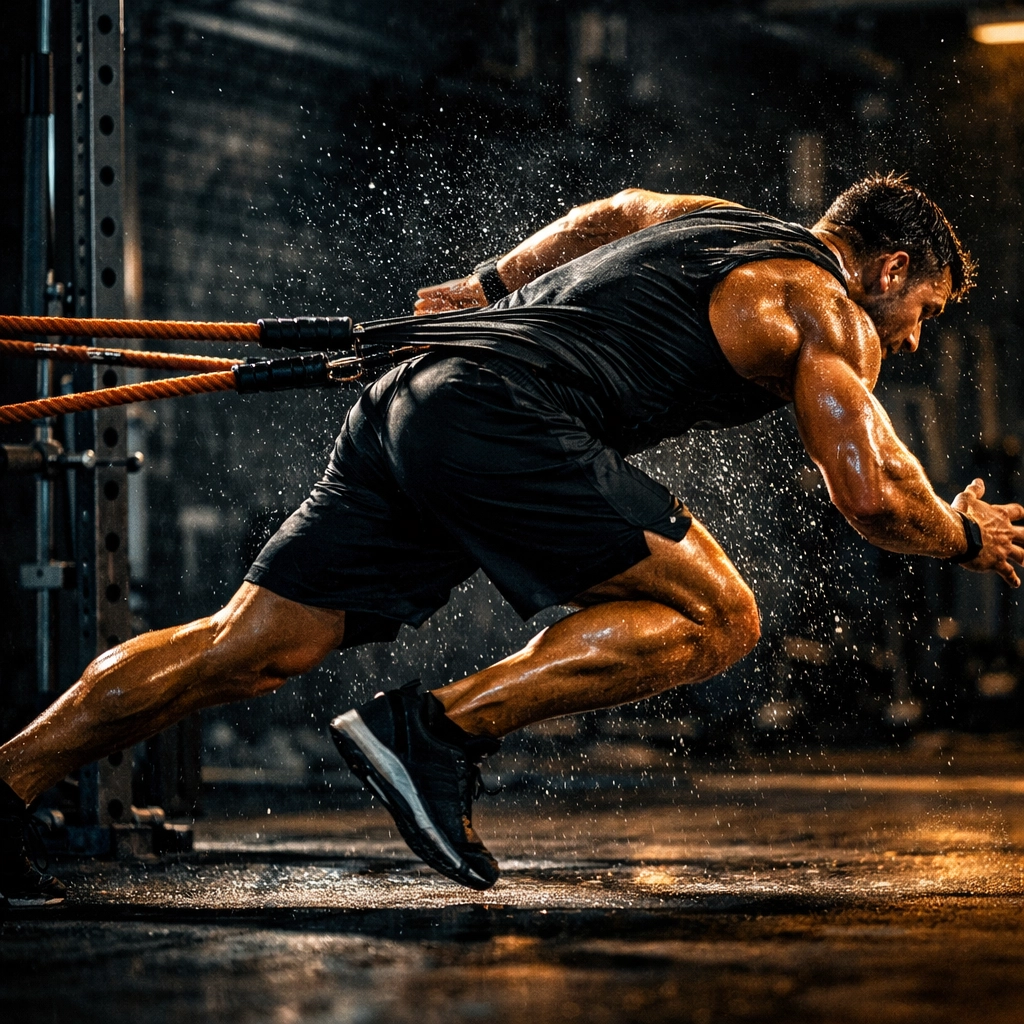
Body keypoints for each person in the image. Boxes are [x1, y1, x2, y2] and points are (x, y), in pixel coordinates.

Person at [1, 172, 1021, 900]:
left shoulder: (709, 217)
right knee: (720, 616)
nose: (913, 335)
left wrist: (483, 287)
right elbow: (874, 498)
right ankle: (435, 732)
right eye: (921, 310)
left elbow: (613, 208)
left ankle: (12, 777)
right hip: (498, 417)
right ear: (889, 268)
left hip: (417, 390)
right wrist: (966, 539)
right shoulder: (827, 308)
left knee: (252, 645)